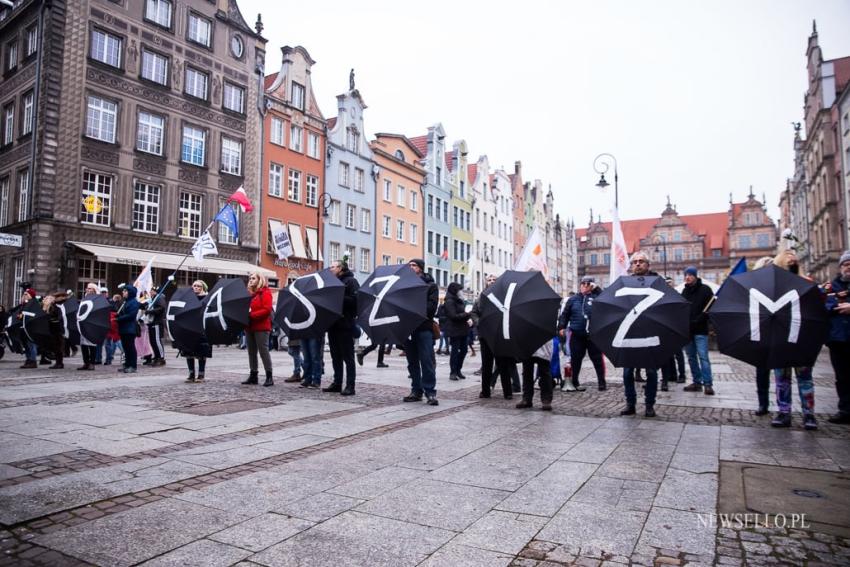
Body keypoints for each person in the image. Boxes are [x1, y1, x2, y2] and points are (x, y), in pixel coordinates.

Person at [770, 250, 817, 429]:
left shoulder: (807, 283)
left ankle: (809, 414)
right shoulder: (774, 287)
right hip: (780, 337)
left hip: (802, 337)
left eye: (794, 253)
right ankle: (784, 412)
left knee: (805, 378)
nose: (792, 255)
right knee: (782, 379)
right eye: (788, 253)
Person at [621, 251, 660, 417]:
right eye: (635, 261)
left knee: (651, 371)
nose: (638, 264)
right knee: (627, 372)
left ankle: (649, 404)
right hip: (630, 332)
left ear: (648, 265)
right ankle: (631, 403)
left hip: (650, 332)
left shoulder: (657, 282)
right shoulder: (625, 283)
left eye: (641, 261)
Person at [471, 274, 516, 399]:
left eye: (493, 280)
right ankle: (485, 391)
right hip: (485, 335)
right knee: (486, 365)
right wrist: (478, 322)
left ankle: (507, 392)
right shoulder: (482, 295)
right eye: (489, 280)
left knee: (503, 364)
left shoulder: (503, 296)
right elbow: (474, 312)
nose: (491, 282)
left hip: (500, 335)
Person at [558, 276, 605, 392]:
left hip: (593, 334)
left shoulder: (597, 298)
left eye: (588, 283)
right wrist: (561, 327)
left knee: (597, 359)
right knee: (576, 359)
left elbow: (606, 300)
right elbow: (565, 314)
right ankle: (574, 381)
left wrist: (597, 289)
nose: (585, 285)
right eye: (583, 283)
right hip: (577, 334)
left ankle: (601, 382)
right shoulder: (573, 299)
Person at [403, 259, 440, 405]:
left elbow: (431, 308)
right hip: (408, 328)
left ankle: (430, 392)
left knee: (426, 361)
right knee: (412, 362)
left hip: (424, 328)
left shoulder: (430, 286)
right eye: (410, 265)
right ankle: (416, 390)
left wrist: (413, 306)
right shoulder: (405, 285)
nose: (411, 267)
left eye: (414, 265)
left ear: (421, 268)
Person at [323, 260, 359, 396]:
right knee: (335, 356)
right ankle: (337, 383)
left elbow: (356, 301)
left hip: (345, 324)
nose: (330, 269)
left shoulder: (351, 281)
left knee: (348, 357)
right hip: (332, 324)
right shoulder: (332, 282)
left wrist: (337, 297)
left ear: (341, 268)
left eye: (332, 267)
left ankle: (350, 385)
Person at [681, 266, 715, 395]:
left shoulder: (706, 290)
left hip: (700, 330)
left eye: (690, 275)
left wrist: (701, 318)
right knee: (691, 357)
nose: (687, 277)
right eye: (686, 275)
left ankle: (708, 384)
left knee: (703, 357)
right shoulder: (684, 291)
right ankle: (697, 382)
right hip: (688, 330)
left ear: (695, 276)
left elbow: (710, 307)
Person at [826, 251, 850, 424]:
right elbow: (823, 305)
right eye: (846, 264)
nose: (848, 267)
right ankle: (845, 410)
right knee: (841, 377)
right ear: (841, 267)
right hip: (838, 339)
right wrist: (835, 305)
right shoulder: (831, 287)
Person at [751, 257, 776, 416]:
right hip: (762, 332)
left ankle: (784, 408)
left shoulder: (782, 285)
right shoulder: (756, 288)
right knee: (762, 370)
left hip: (780, 332)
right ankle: (763, 403)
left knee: (782, 373)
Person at [242, 272, 275, 387]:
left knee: (263, 351)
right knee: (251, 352)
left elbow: (267, 310)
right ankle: (253, 375)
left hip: (261, 327)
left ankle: (269, 376)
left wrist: (251, 315)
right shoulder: (248, 294)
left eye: (253, 278)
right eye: (250, 278)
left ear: (259, 279)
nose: (251, 280)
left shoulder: (265, 292)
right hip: (249, 327)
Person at [183, 280, 211, 383]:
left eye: (198, 286)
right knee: (189, 352)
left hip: (202, 328)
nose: (196, 287)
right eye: (194, 285)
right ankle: (191, 374)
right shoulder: (188, 298)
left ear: (203, 287)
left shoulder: (207, 299)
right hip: (189, 327)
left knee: (201, 352)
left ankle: (201, 375)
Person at [516, 338, 555, 411]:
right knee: (527, 372)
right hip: (528, 344)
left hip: (544, 344)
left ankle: (546, 399)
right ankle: (526, 398)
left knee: (544, 373)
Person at [444, 282, 472, 381]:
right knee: (455, 352)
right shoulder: (449, 301)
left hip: (463, 329)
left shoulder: (459, 300)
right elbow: (453, 316)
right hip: (454, 330)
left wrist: (467, 317)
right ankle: (453, 372)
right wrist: (467, 314)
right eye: (459, 289)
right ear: (455, 290)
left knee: (464, 350)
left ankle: (458, 369)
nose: (461, 291)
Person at [115, 284, 140, 374]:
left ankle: (133, 366)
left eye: (125, 291)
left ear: (130, 293)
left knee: (130, 347)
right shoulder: (125, 302)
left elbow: (131, 315)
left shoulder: (133, 302)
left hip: (129, 328)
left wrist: (119, 319)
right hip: (124, 328)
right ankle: (127, 364)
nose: (123, 292)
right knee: (126, 348)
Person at [78, 283, 101, 370]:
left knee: (92, 344)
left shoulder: (98, 299)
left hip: (93, 324)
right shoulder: (84, 298)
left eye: (90, 288)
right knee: (83, 344)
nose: (87, 289)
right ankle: (86, 362)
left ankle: (92, 363)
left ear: (94, 290)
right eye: (87, 288)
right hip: (84, 323)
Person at [42, 293, 66, 369]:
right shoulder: (47, 307)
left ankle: (59, 363)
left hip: (57, 329)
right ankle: (57, 362)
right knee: (55, 346)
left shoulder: (55, 307)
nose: (45, 300)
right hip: (51, 329)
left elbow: (56, 317)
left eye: (47, 299)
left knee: (58, 346)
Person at [17, 288, 39, 369]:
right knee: (26, 345)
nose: (25, 295)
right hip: (24, 327)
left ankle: (33, 361)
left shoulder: (34, 303)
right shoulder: (25, 303)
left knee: (32, 345)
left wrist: (24, 314)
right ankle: (28, 360)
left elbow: (35, 314)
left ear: (31, 295)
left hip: (31, 328)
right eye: (24, 294)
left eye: (26, 294)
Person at [146, 286, 167, 367]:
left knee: (157, 341)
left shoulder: (159, 298)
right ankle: (156, 356)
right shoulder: (152, 299)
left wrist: (150, 311)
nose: (150, 292)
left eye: (151, 290)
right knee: (152, 341)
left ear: (155, 291)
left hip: (157, 322)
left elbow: (161, 308)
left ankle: (161, 358)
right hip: (151, 322)